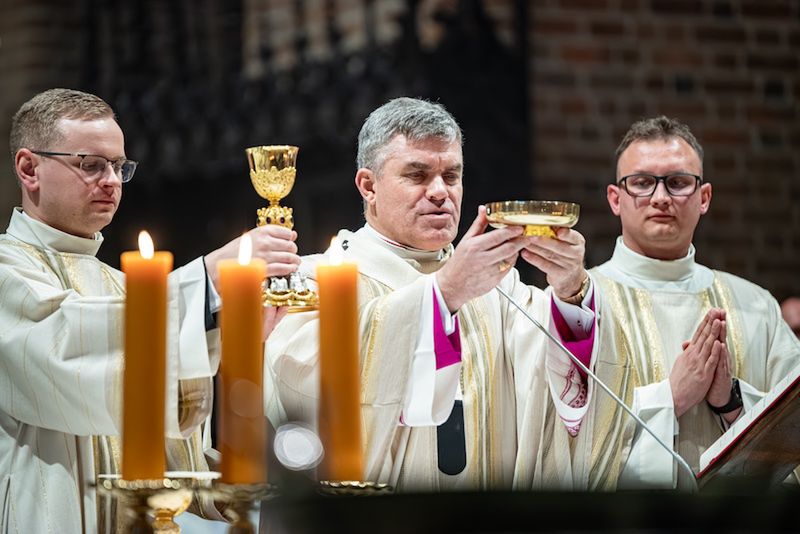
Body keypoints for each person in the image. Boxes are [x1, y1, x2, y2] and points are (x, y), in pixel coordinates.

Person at [263, 97, 609, 496]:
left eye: (452, 176)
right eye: (417, 175)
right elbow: (305, 395)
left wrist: (570, 291)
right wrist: (443, 293)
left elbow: (559, 401)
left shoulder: (499, 287)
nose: (440, 192)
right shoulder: (310, 285)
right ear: (369, 186)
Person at [0, 88, 301, 532]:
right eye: (90, 164)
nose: (111, 181)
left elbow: (162, 413)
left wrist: (223, 331)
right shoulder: (8, 267)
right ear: (29, 169)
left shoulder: (121, 285)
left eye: (120, 166)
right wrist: (210, 276)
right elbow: (61, 355)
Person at [590, 116, 800, 489]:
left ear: (703, 197)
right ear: (615, 199)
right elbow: (559, 446)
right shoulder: (581, 303)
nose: (660, 198)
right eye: (641, 183)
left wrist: (732, 403)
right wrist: (670, 398)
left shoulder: (755, 305)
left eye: (678, 183)